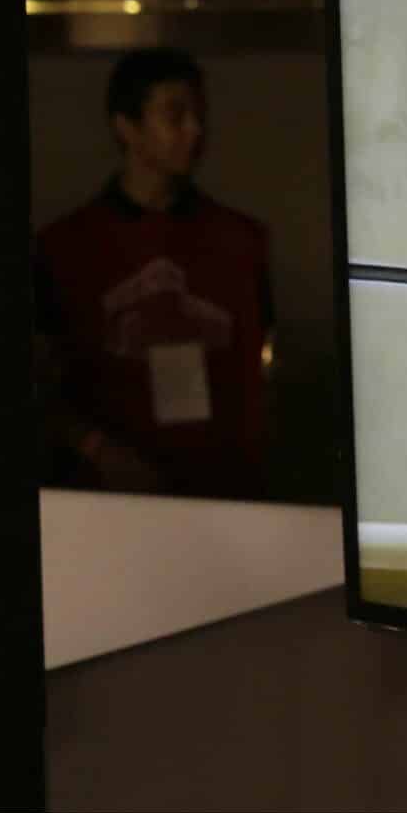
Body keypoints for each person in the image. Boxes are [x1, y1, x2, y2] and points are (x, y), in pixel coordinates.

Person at [35, 48, 276, 498]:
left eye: (199, 114)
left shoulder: (241, 243)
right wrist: (99, 450)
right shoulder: (67, 249)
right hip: (110, 491)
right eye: (176, 115)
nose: (195, 130)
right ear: (126, 127)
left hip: (223, 489)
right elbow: (36, 384)